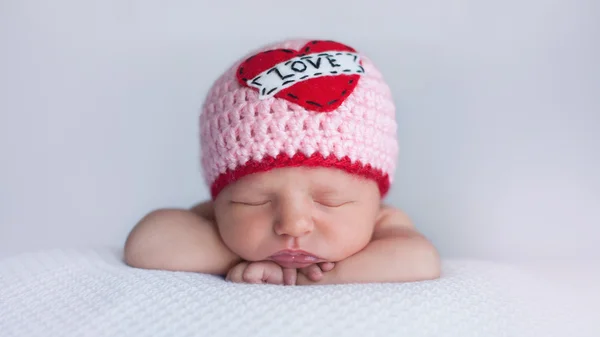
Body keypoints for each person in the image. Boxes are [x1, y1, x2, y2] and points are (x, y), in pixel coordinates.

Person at [123, 38, 441, 285]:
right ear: (219, 199)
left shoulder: (384, 222)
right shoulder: (219, 222)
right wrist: (237, 256)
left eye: (329, 201)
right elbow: (147, 244)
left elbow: (420, 260)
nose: (292, 224)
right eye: (254, 201)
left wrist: (308, 278)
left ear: (376, 199)